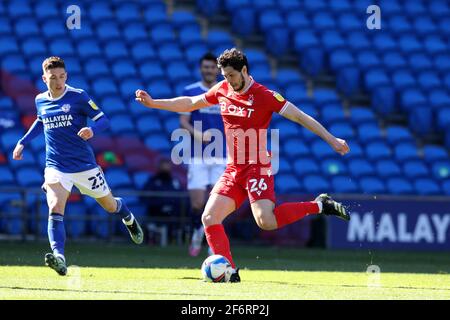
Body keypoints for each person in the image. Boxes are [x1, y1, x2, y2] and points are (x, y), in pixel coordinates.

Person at [135, 48, 350, 282]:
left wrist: (332, 140)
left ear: (244, 70)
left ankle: (319, 205)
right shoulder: (222, 89)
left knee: (266, 222)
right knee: (209, 218)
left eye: (231, 75)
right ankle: (229, 271)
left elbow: (300, 116)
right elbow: (189, 103)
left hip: (257, 166)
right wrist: (154, 103)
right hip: (234, 169)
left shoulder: (264, 95)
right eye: (224, 76)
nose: (227, 80)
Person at [12, 56, 144, 276]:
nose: (58, 82)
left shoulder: (78, 96)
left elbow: (104, 120)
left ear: (66, 76)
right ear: (44, 78)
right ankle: (59, 257)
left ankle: (127, 216)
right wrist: (22, 142)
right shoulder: (40, 100)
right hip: (56, 166)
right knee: (55, 206)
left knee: (110, 206)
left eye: (62, 76)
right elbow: (40, 121)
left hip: (84, 166)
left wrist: (92, 130)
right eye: (53, 78)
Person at [179, 53, 226, 257]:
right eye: (206, 67)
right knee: (197, 203)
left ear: (217, 69)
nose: (209, 70)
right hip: (197, 155)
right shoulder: (191, 91)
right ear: (201, 69)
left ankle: (210, 242)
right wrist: (199, 135)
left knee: (218, 203)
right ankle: (199, 233)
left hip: (222, 156)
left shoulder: (226, 91)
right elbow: (183, 121)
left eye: (212, 67)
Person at [142, 158, 183, 242]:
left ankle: (176, 239)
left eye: (167, 167)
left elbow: (180, 195)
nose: (165, 169)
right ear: (159, 168)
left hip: (173, 211)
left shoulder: (174, 181)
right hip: (157, 211)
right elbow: (145, 196)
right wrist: (160, 205)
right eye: (163, 167)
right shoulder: (153, 181)